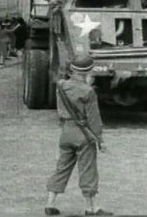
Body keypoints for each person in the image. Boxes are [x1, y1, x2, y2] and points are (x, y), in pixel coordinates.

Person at [45, 56, 111, 216]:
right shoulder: (88, 91)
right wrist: (100, 139)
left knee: (62, 168)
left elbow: (60, 113)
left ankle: (50, 204)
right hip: (84, 135)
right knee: (88, 170)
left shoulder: (61, 86)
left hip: (66, 132)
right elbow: (94, 119)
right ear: (88, 72)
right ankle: (91, 207)